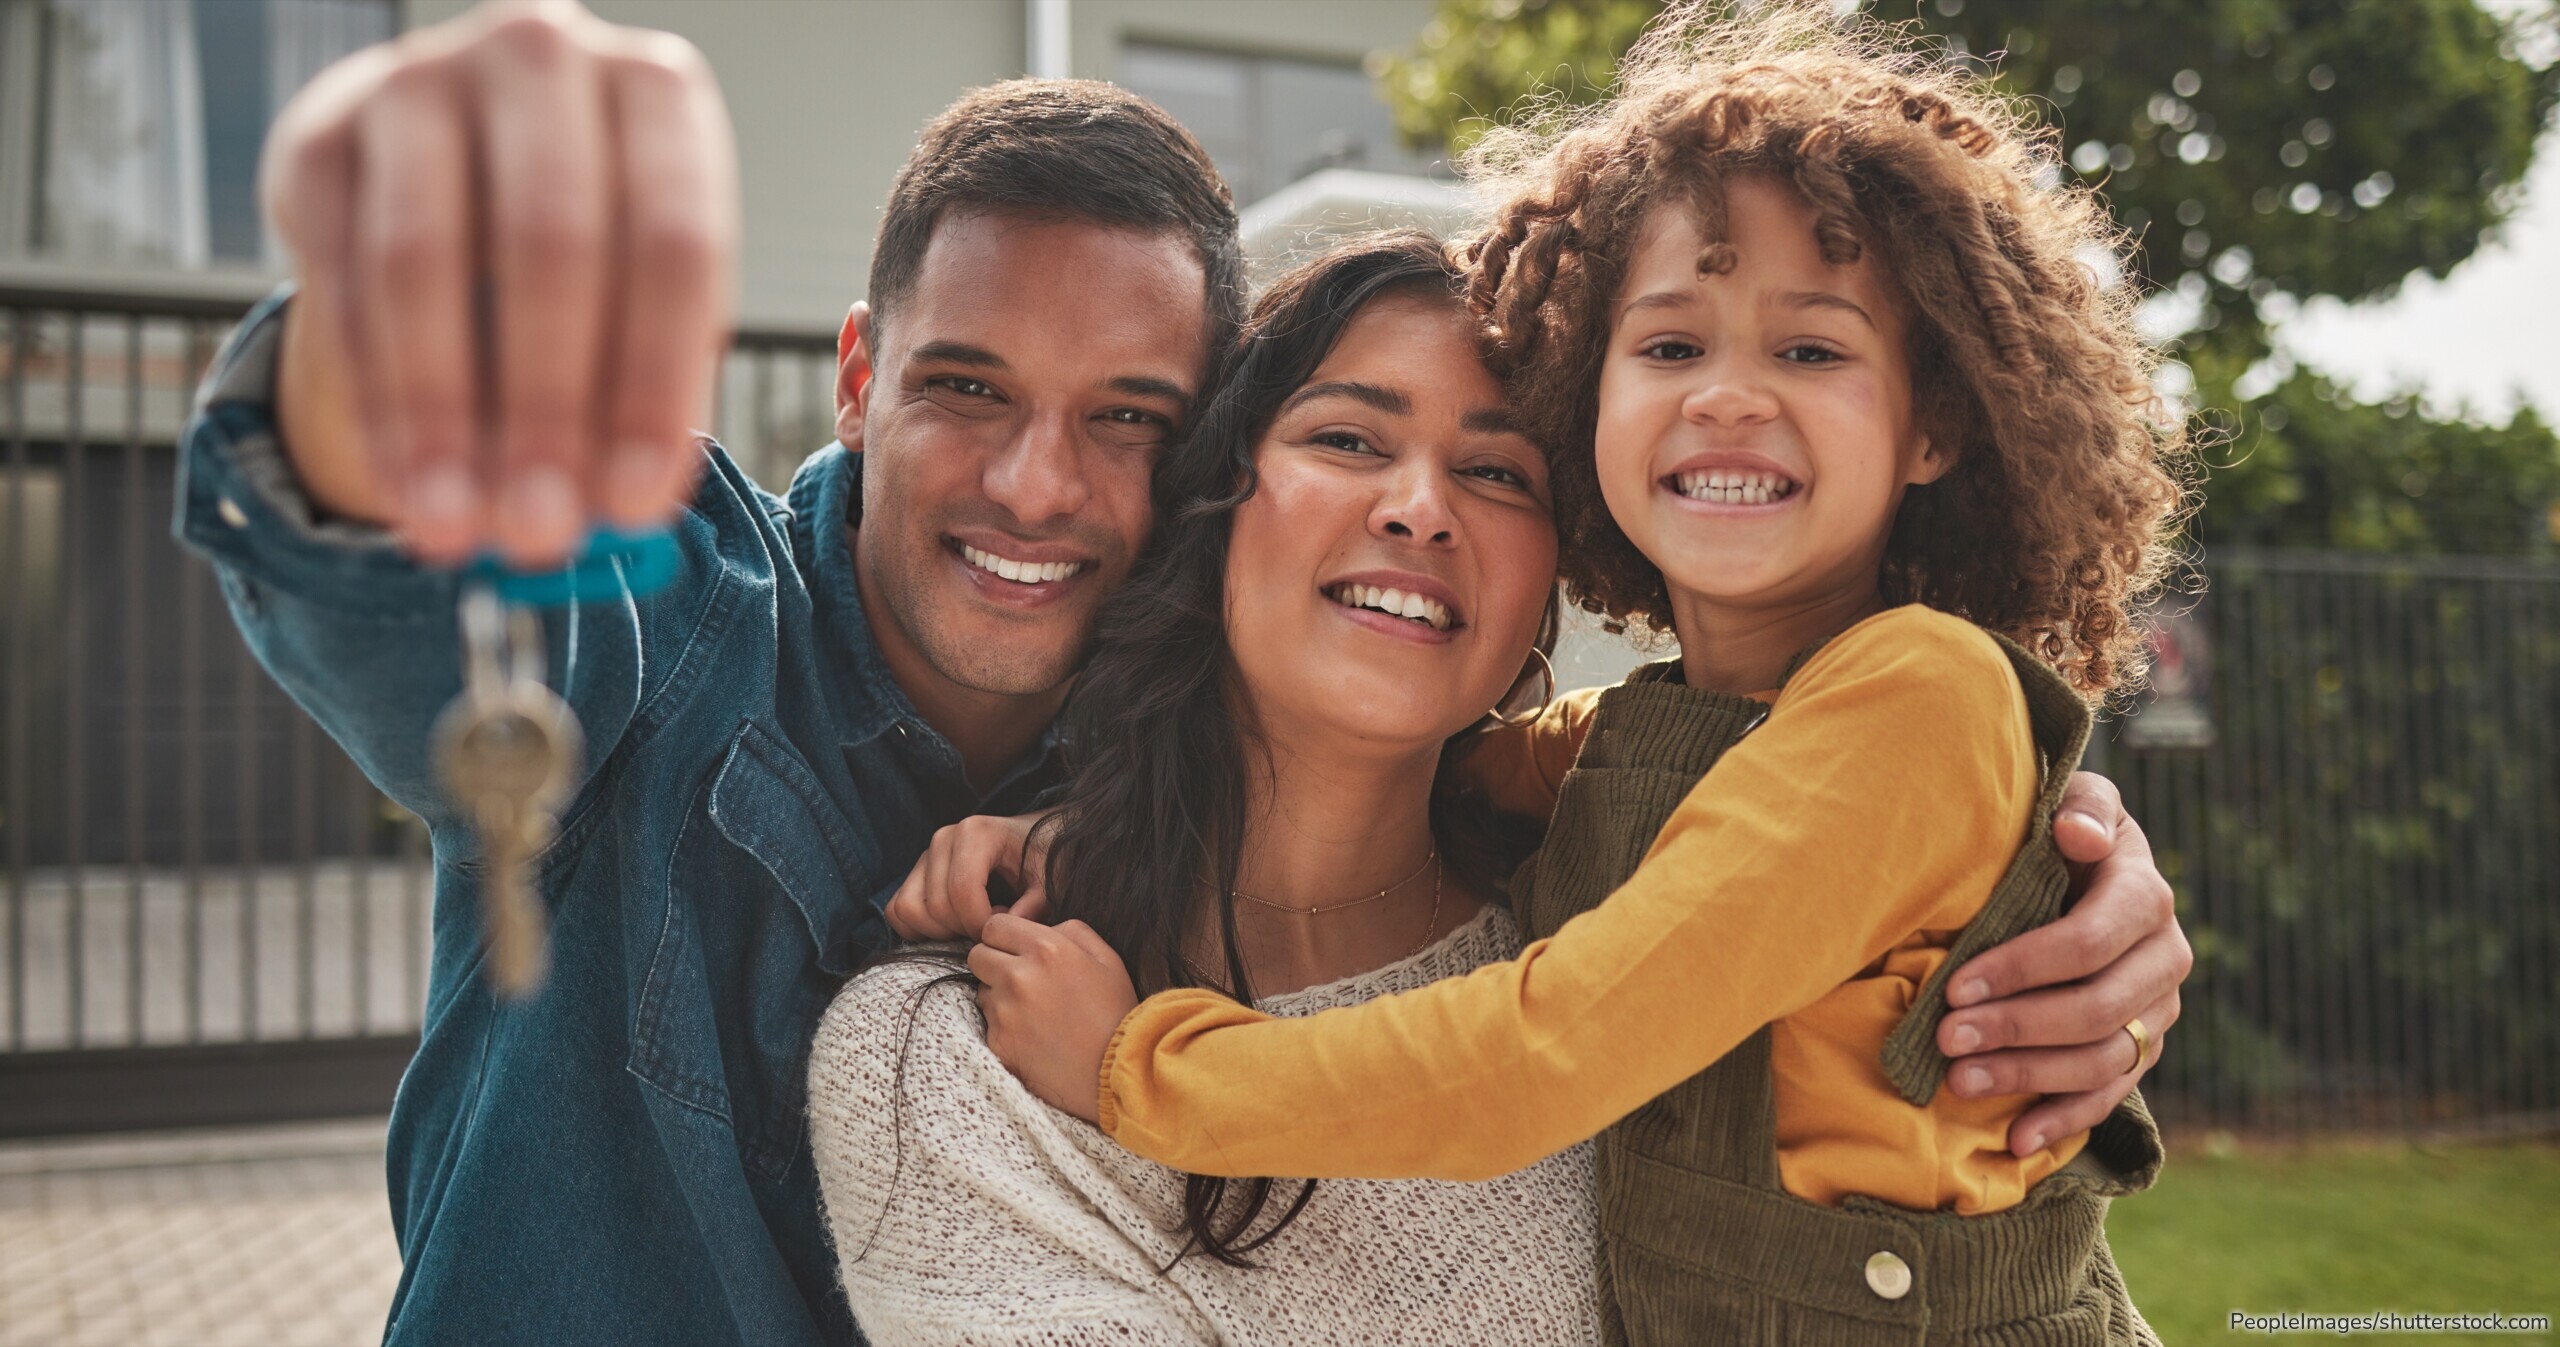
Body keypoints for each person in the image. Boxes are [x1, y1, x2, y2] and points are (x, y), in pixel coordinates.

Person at [174, 2, 2185, 1341]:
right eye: (965, 389)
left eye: (1489, 467)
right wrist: (395, 340)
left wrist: (2069, 876)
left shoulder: (1565, 883)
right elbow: (437, 592)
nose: (1040, 479)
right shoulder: (716, 658)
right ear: (860, 378)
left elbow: (1667, 893)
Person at [963, 6, 2187, 1343]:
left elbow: (1547, 1050)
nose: (1726, 394)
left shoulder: (1924, 693)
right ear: (1585, 400)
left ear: (1935, 423)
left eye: (1811, 349)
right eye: (1670, 345)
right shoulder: (1649, 728)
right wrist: (1081, 829)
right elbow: (1389, 770)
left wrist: (1135, 1068)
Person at [809, 234, 1605, 1346]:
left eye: (1497, 473)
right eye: (1345, 438)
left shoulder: (1624, 962)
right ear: (1210, 511)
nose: (1420, 509)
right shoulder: (947, 1059)